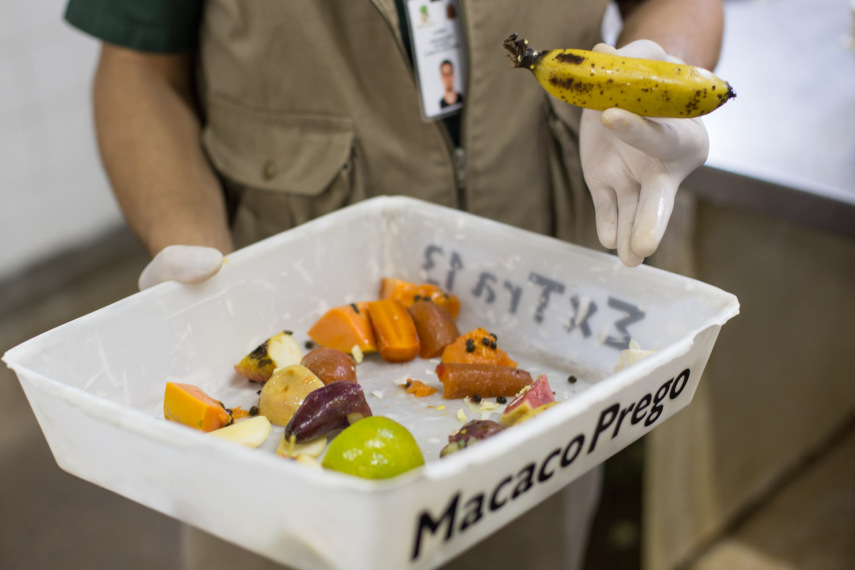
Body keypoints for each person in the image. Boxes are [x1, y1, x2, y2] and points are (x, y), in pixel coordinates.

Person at [64, 0, 723, 568]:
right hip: (284, 313)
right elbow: (138, 67)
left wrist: (650, 77)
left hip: (542, 325)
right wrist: (186, 236)